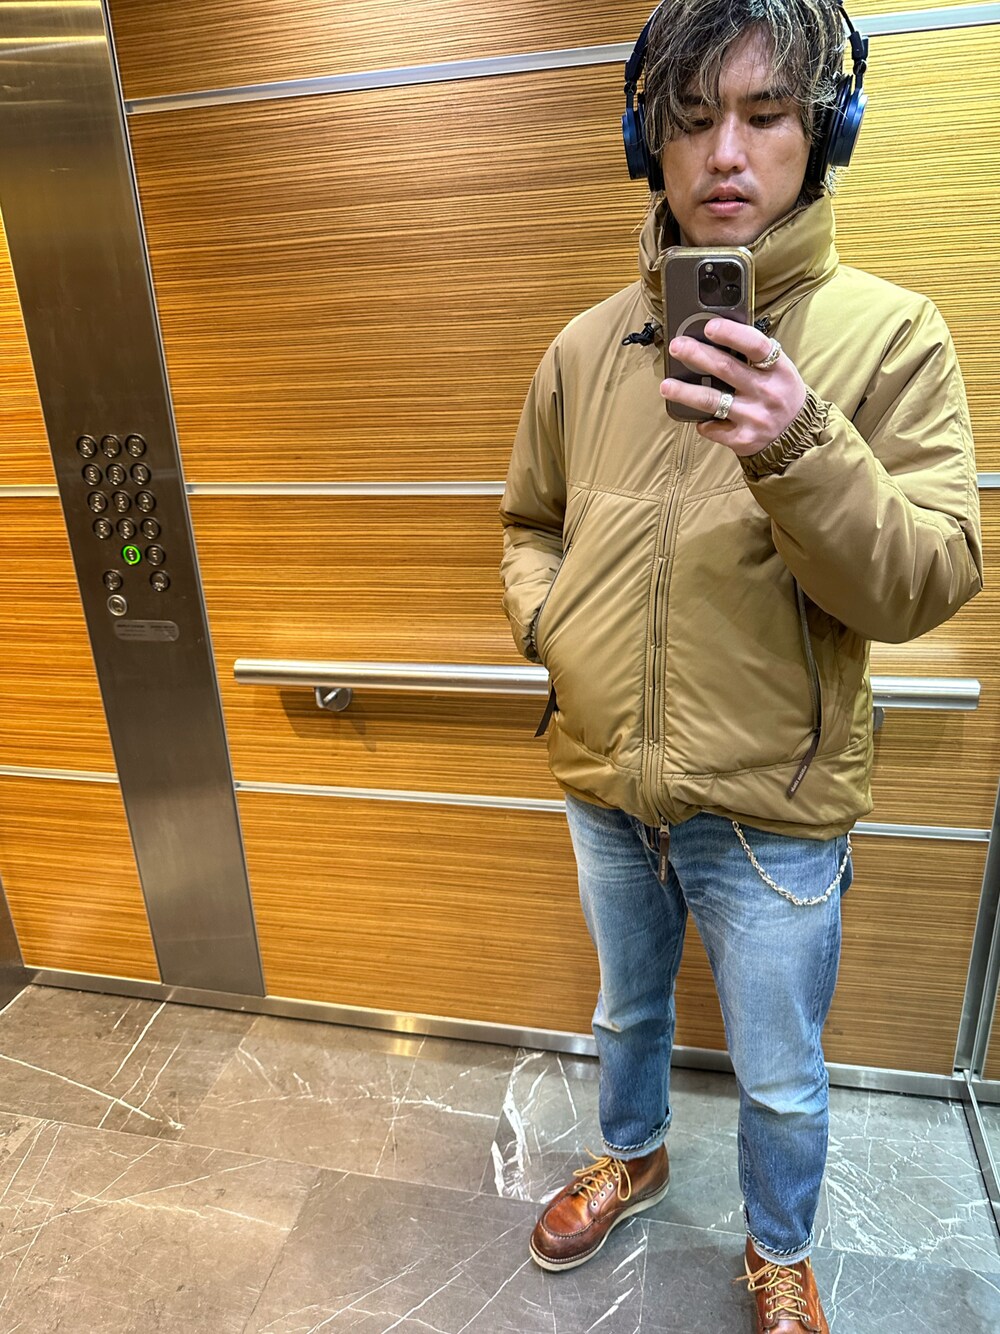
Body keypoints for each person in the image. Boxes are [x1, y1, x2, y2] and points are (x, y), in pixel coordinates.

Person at [498, 0, 983, 1328]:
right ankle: (634, 1153)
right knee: (626, 1015)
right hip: (607, 784)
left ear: (826, 132)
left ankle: (778, 1247)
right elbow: (530, 525)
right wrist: (551, 628)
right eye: (692, 117)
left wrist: (798, 443)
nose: (725, 153)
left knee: (779, 1073)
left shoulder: (892, 336)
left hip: (775, 808)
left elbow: (929, 574)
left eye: (766, 114)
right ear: (643, 143)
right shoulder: (586, 348)